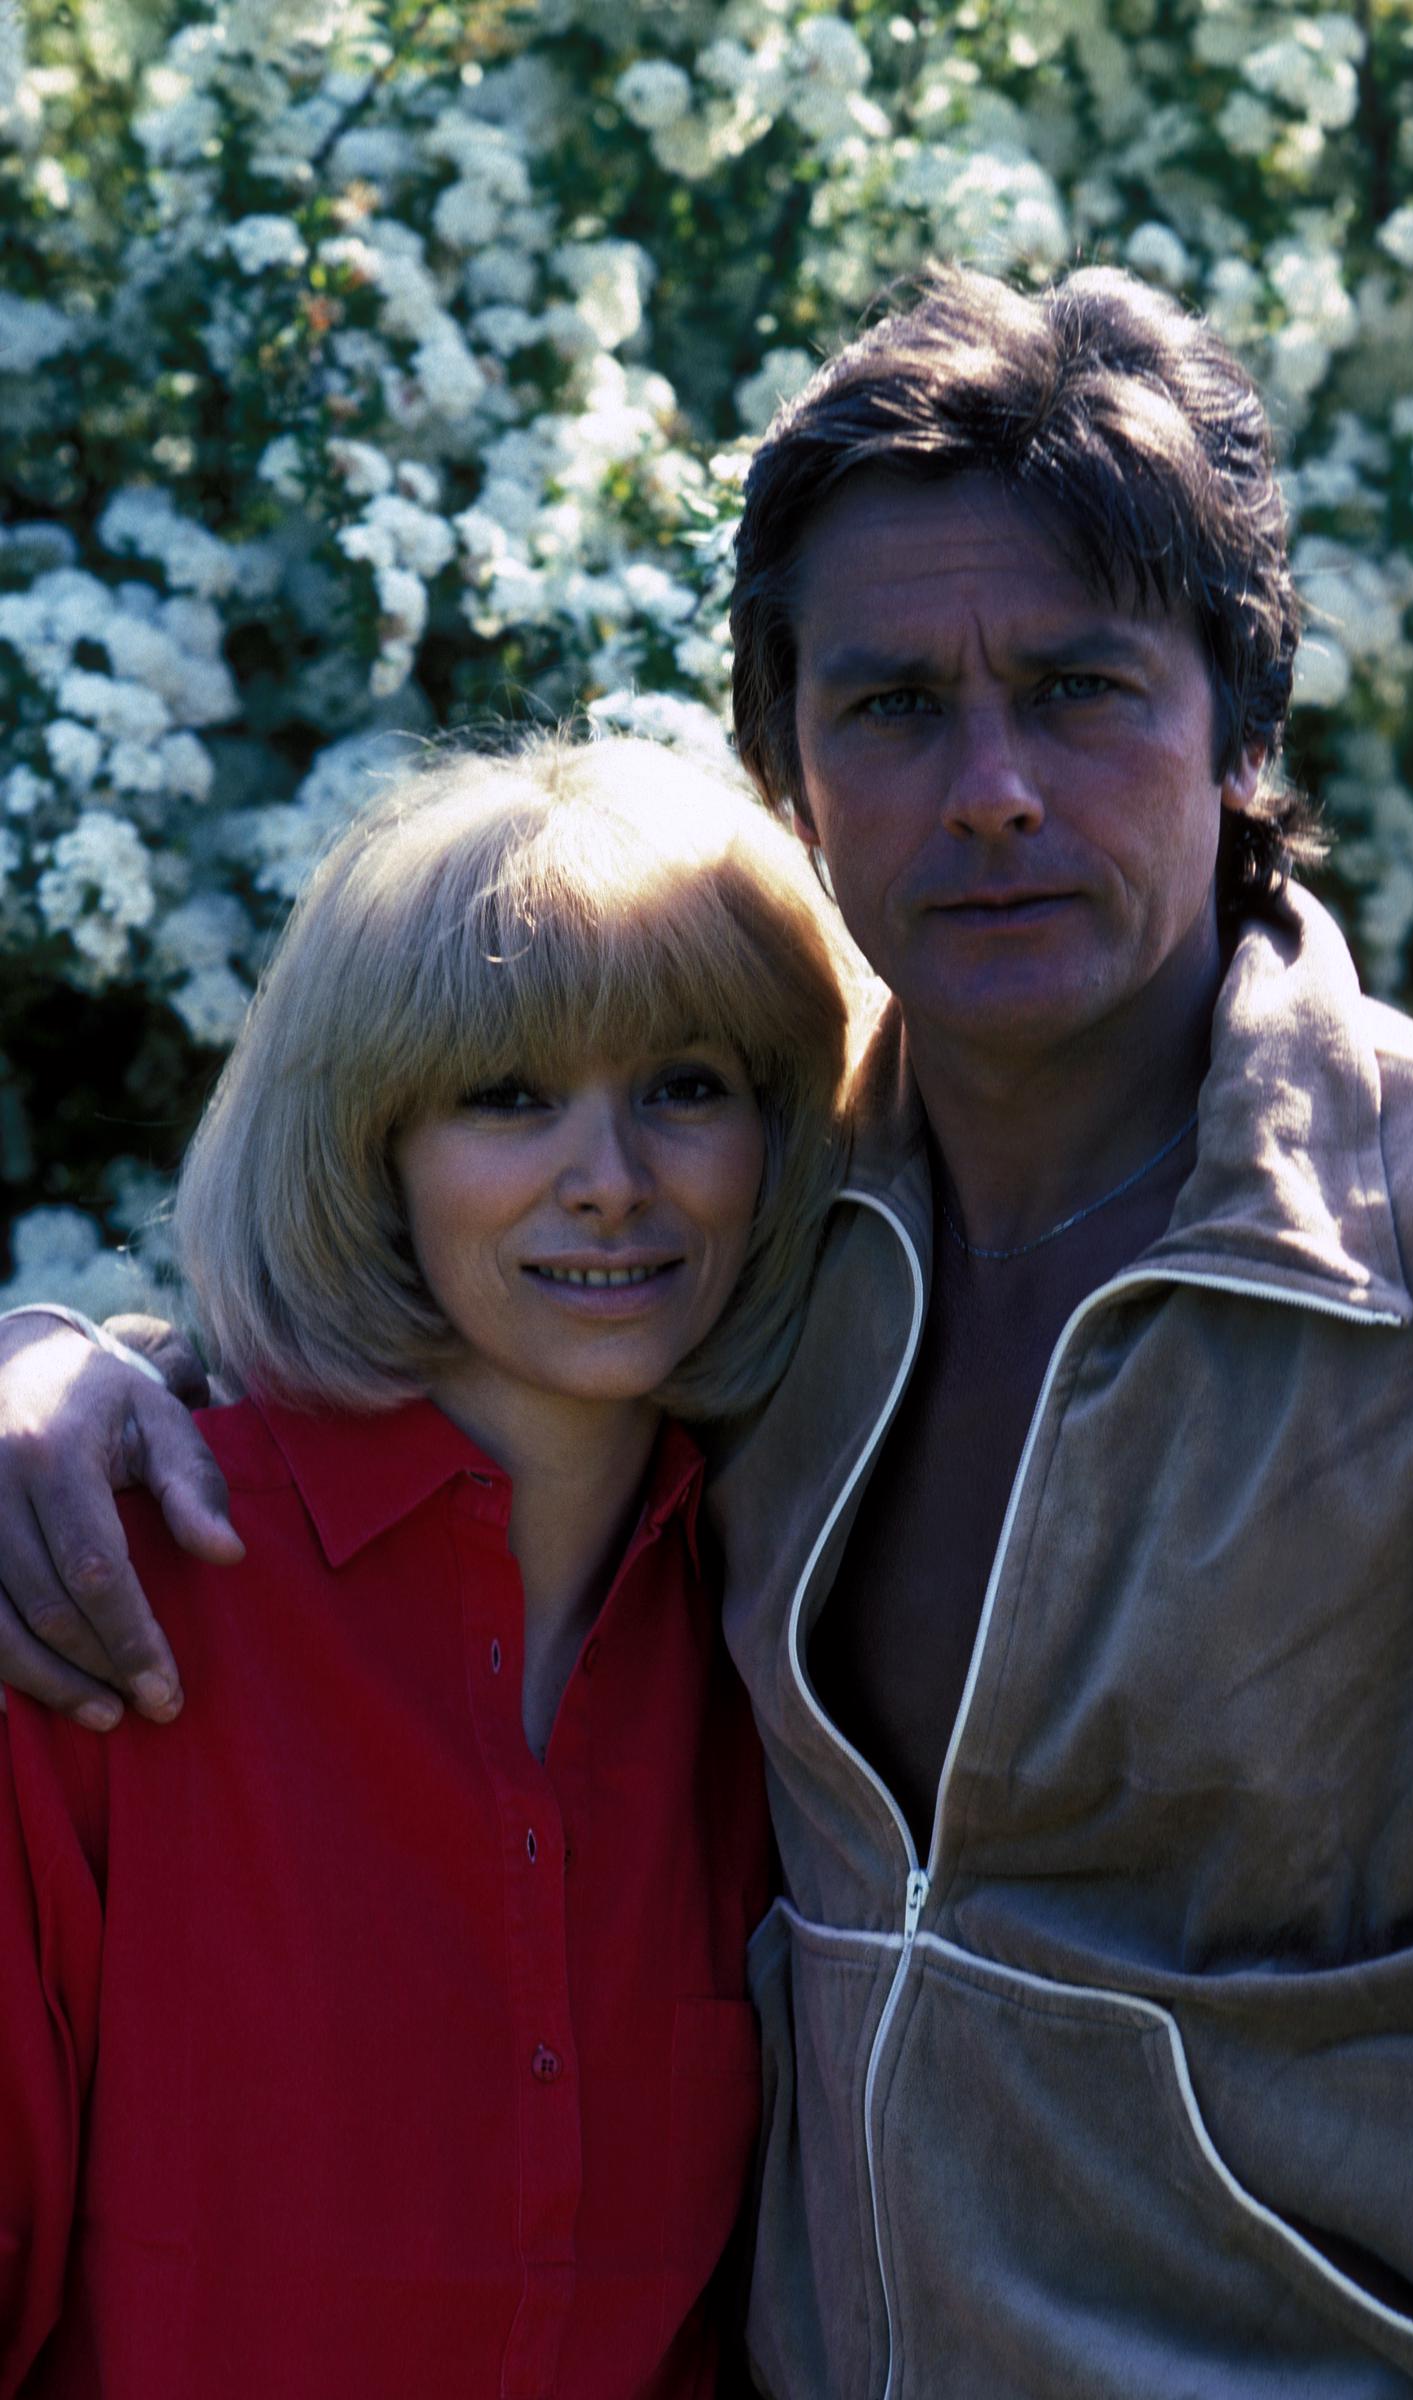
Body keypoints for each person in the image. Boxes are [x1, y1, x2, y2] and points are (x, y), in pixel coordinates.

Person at [1, 264, 1413, 2397]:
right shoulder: (756, 1216)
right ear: (788, 763)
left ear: (1239, 721)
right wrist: (61, 1365)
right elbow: (411, 1307)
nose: (994, 787)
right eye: (889, 709)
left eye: (1080, 687)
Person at [0, 730, 855, 2398]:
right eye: (508, 1096)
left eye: (684, 1087)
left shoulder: (790, 1637)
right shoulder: (105, 1595)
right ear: (375, 1142)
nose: (609, 1184)